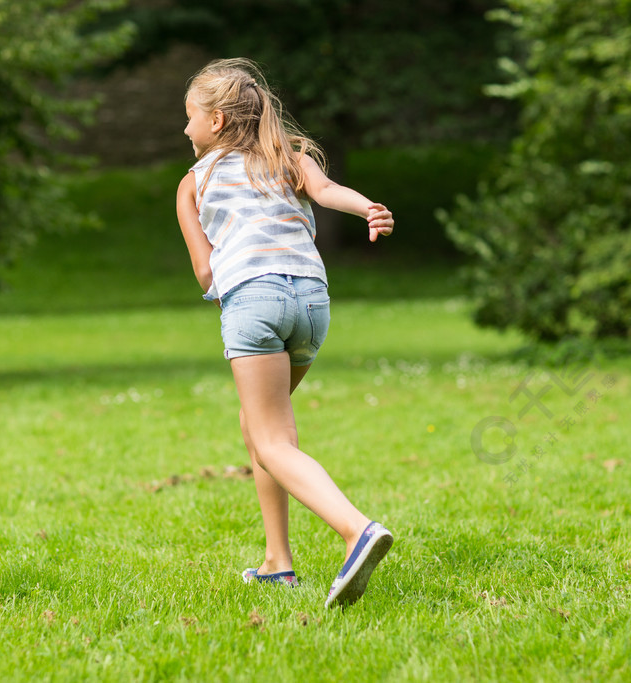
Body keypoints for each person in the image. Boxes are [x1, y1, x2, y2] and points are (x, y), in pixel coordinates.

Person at [176, 58, 396, 609]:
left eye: (190, 117)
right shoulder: (287, 158)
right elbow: (328, 193)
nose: (185, 130)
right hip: (312, 303)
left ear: (218, 121)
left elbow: (206, 273)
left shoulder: (193, 182)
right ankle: (277, 563)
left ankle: (356, 531)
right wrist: (368, 207)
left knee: (270, 437)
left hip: (255, 302)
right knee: (262, 428)